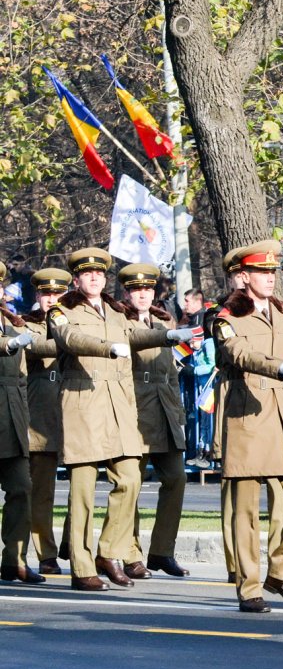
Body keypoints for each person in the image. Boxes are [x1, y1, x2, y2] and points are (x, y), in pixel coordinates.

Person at [48, 248, 185, 591]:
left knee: (129, 480)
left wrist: (166, 335)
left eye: (99, 273)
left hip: (119, 407)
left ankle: (107, 550)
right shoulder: (60, 310)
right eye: (87, 273)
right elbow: (69, 338)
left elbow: (133, 336)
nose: (94, 278)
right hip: (84, 406)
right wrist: (106, 347)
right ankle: (82, 567)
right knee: (82, 491)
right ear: (76, 279)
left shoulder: (114, 310)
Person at [214, 239, 283, 613]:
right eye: (260, 272)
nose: (270, 279)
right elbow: (237, 353)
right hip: (248, 417)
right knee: (245, 509)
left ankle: (282, 572)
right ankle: (249, 587)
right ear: (242, 277)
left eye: (272, 272)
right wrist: (276, 367)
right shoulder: (226, 317)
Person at [118, 264, 192, 579]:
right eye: (137, 290)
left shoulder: (164, 320)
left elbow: (170, 372)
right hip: (134, 412)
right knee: (130, 485)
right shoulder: (119, 321)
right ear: (127, 293)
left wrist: (179, 412)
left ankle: (162, 550)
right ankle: (129, 554)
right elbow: (136, 339)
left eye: (148, 289)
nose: (143, 295)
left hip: (164, 410)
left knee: (176, 479)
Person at [21, 268, 69, 575]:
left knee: (82, 491)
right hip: (40, 419)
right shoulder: (26, 325)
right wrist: (75, 342)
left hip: (75, 417)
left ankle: (72, 546)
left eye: (57, 294)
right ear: (38, 296)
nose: (51, 299)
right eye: (46, 294)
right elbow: (38, 347)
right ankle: (44, 553)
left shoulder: (78, 322)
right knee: (40, 491)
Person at [0, 261, 41, 584]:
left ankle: (14, 560)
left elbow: (23, 378)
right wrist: (8, 344)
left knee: (21, 489)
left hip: (12, 423)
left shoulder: (10, 323)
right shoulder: (9, 335)